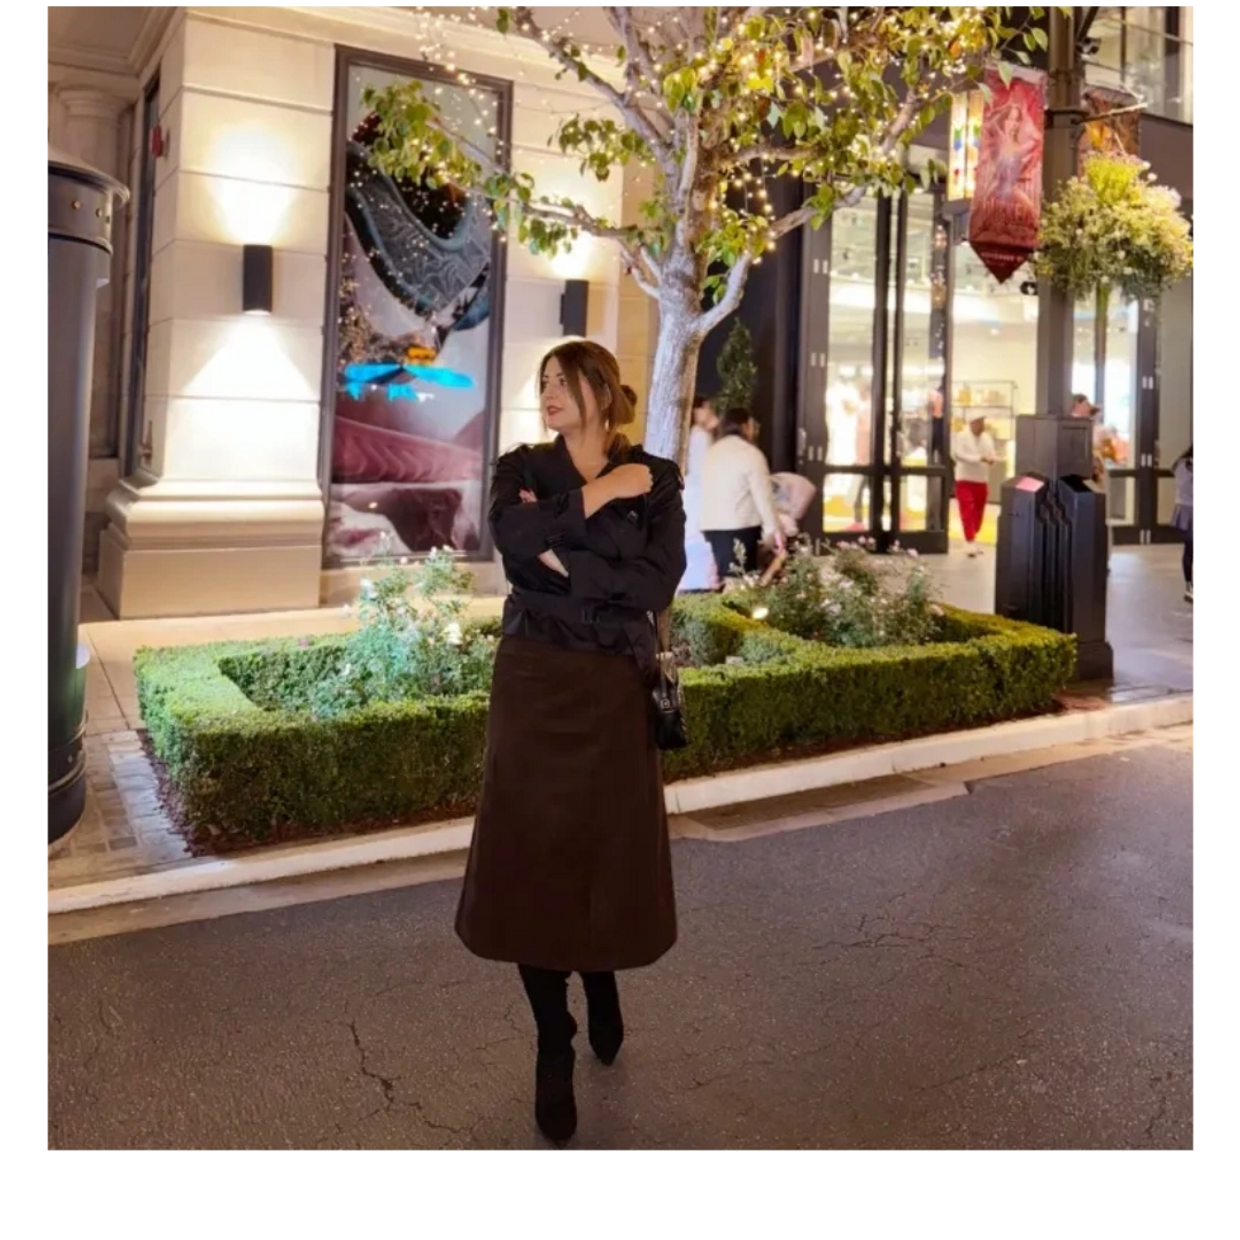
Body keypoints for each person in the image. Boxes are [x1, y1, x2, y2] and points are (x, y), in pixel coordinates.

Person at [455, 340, 686, 1144]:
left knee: (603, 850)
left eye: (565, 381)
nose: (549, 392)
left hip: (617, 685)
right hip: (535, 680)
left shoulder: (656, 477)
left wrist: (564, 563)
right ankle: (553, 1039)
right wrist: (597, 500)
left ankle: (602, 975)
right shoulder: (522, 465)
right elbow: (511, 542)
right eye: (544, 382)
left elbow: (657, 582)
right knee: (534, 856)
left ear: (602, 390)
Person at [700, 406, 783, 582]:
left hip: (713, 527)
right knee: (743, 583)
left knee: (728, 579)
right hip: (741, 527)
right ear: (745, 426)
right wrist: (774, 531)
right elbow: (764, 496)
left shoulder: (712, 451)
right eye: (753, 426)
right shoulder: (750, 453)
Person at [680, 393, 720, 591]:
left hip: (689, 492)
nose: (710, 412)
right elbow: (706, 469)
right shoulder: (700, 435)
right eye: (706, 407)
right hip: (699, 493)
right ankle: (700, 582)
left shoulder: (689, 434)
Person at [951, 413, 997, 557]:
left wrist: (992, 459)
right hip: (964, 479)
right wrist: (979, 458)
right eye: (979, 422)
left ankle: (973, 537)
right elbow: (958, 455)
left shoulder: (987, 438)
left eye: (982, 422)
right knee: (968, 510)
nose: (981, 425)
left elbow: (992, 453)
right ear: (972, 423)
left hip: (982, 480)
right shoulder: (961, 437)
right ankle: (969, 540)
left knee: (979, 512)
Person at [1171, 442, 1195, 603]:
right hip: (1191, 509)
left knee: (1189, 549)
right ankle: (1190, 587)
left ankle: (1189, 586)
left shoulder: (1180, 464)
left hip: (1183, 510)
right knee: (1191, 549)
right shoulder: (1188, 467)